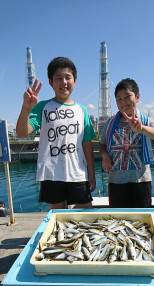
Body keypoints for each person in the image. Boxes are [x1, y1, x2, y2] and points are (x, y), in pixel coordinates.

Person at [16, 57, 96, 210]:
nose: (63, 82)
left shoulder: (82, 110)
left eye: (68, 77)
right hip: (51, 175)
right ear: (51, 82)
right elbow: (21, 132)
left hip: (78, 173)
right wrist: (26, 109)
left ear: (75, 81)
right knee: (58, 217)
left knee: (85, 213)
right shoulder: (42, 107)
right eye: (58, 78)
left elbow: (87, 144)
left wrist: (91, 174)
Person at [100, 78, 154, 208]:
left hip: (141, 180)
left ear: (137, 97)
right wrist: (105, 156)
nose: (123, 102)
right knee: (118, 219)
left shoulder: (145, 121)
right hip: (116, 181)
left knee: (142, 218)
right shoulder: (109, 123)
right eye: (119, 99)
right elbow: (102, 144)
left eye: (127, 97)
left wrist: (142, 128)